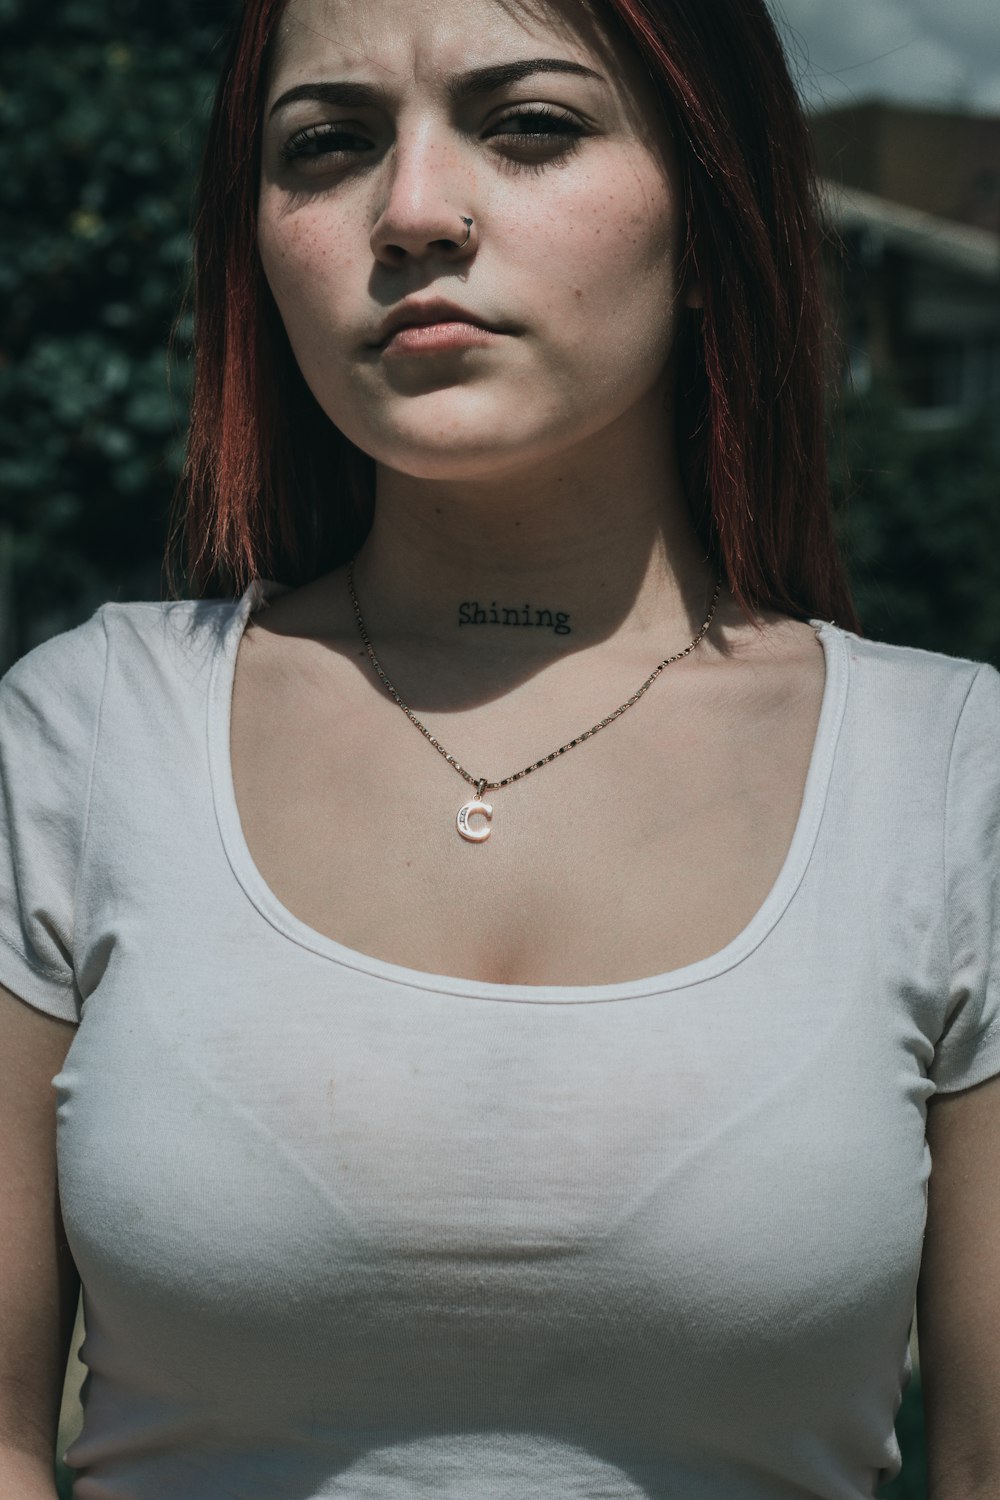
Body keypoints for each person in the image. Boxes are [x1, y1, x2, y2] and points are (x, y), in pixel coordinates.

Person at [1, 0, 998, 1494]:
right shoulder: (84, 740)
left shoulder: (952, 779)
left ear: (712, 202)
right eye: (327, 146)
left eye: (530, 125)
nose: (411, 211)